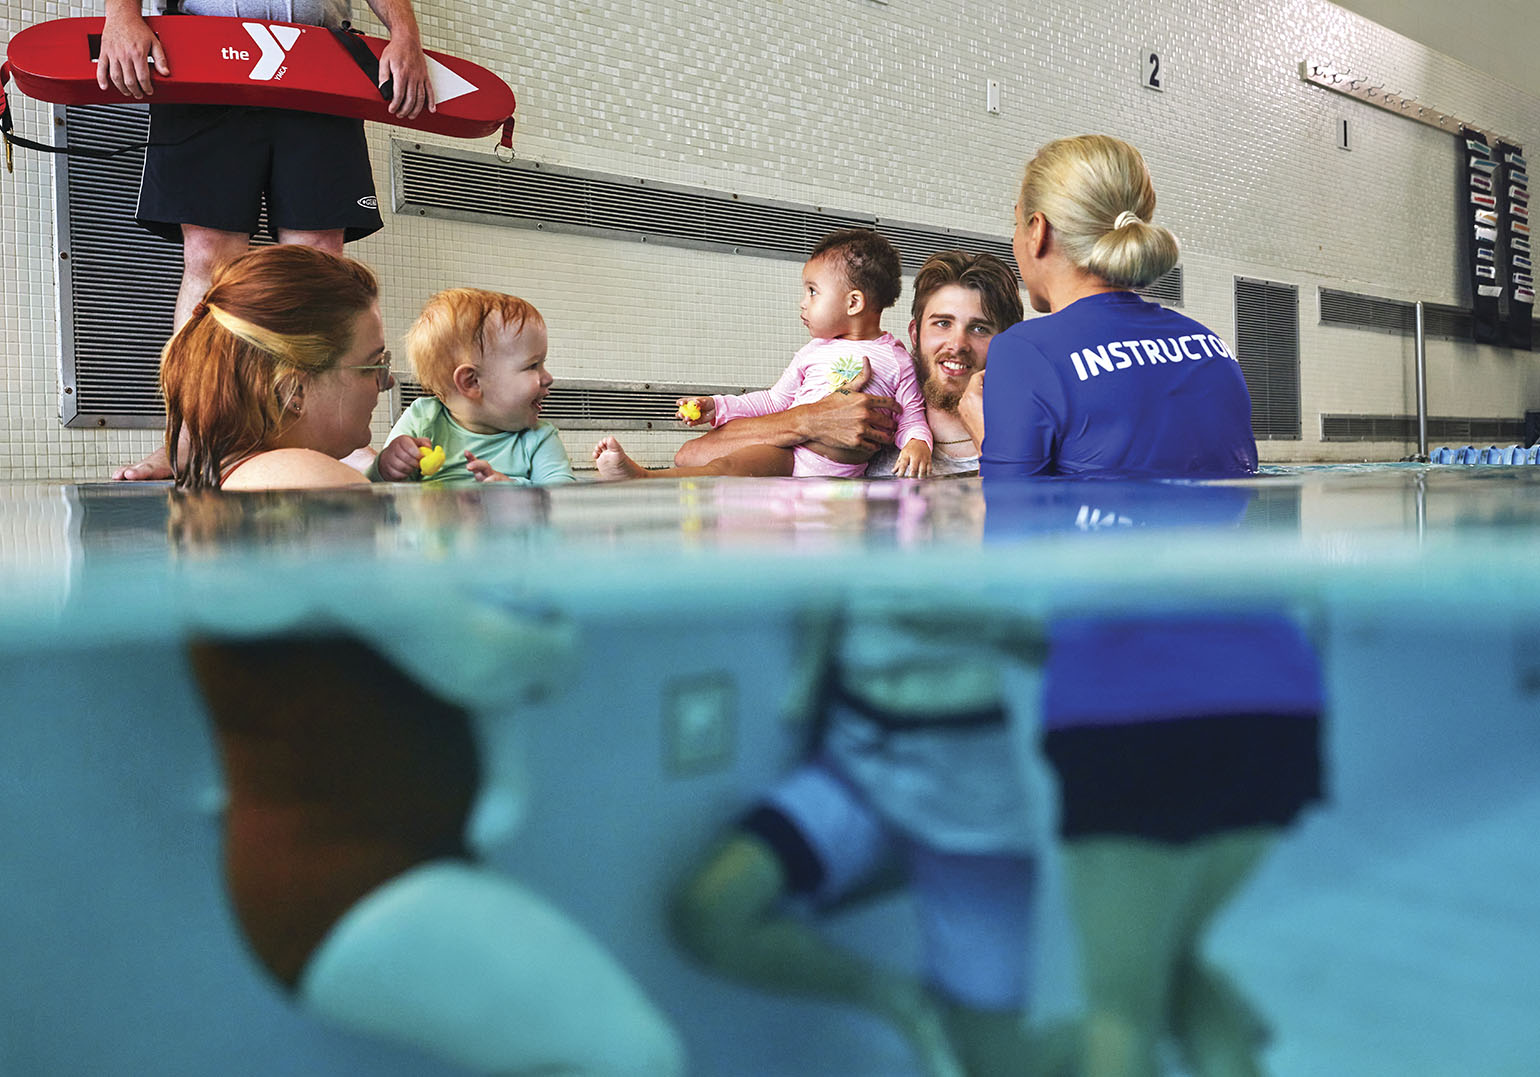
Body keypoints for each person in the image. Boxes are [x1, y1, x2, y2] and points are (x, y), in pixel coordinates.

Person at [669, 256, 1079, 1077]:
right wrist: (803, 422)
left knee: (997, 1059)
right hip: (863, 762)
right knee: (713, 912)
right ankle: (900, 1002)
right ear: (908, 332)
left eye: (980, 327)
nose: (956, 343)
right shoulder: (867, 426)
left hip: (982, 794)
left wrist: (977, 406)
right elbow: (692, 463)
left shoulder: (1031, 442)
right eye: (940, 324)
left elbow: (1049, 567)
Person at [982, 134, 1323, 1077]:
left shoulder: (1025, 354)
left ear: (1037, 230)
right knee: (1171, 968)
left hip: (1136, 708)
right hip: (1276, 700)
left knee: (1119, 1019)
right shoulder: (1210, 343)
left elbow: (1008, 565)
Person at [99, 0, 433, 482]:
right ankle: (191, 439)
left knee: (318, 255)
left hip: (320, 54)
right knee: (209, 256)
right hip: (202, 46)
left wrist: (405, 33)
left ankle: (335, 442)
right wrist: (121, 15)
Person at [593, 228, 933, 479]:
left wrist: (918, 444)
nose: (803, 302)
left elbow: (912, 418)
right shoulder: (812, 352)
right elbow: (774, 401)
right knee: (725, 468)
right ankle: (644, 478)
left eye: (813, 292)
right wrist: (718, 406)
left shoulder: (895, 359)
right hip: (787, 456)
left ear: (854, 302)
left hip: (838, 477)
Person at [159, 243, 391, 490]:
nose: (387, 381)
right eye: (373, 365)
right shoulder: (312, 479)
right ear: (293, 390)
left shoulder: (229, 473)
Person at [370, 288, 578, 486]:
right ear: (472, 382)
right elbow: (377, 494)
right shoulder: (423, 420)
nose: (548, 377)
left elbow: (562, 498)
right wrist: (385, 468)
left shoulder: (538, 438)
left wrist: (514, 489)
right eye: (533, 366)